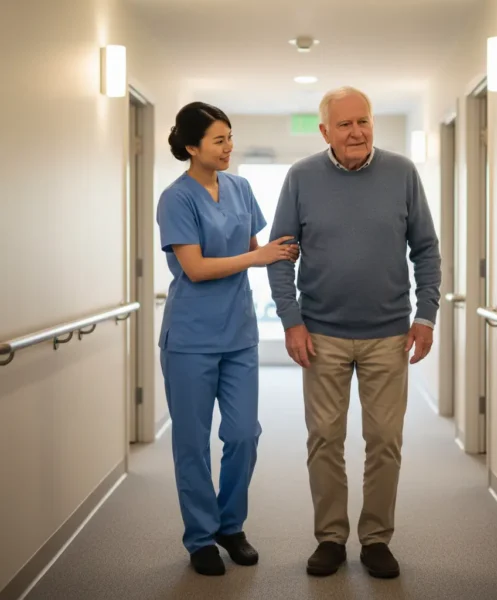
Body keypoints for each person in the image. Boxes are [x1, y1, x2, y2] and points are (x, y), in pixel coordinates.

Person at [267, 87, 441, 579]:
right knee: (324, 438)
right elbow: (282, 254)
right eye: (344, 125)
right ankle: (330, 537)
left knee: (384, 439)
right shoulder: (301, 177)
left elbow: (426, 249)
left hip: (388, 334)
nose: (356, 132)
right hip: (321, 334)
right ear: (325, 131)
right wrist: (291, 320)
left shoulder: (402, 173)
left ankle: (376, 539)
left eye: (363, 121)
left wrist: (425, 315)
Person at [156, 102, 298, 577]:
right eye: (219, 140)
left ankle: (230, 525)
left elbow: (256, 250)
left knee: (243, 434)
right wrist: (255, 260)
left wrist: (287, 252)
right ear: (192, 147)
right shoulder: (176, 198)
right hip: (191, 337)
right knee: (192, 443)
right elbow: (195, 268)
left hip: (238, 334)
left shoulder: (240, 187)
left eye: (230, 137)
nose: (228, 147)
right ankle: (200, 536)